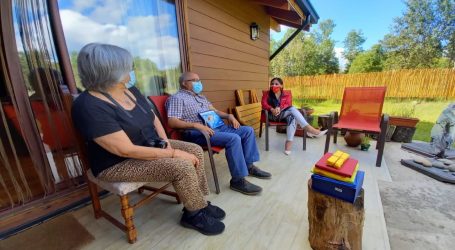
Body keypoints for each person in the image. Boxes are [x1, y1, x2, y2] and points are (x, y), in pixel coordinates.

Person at [71, 43, 225, 236]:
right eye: (128, 67)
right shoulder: (89, 106)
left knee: (193, 150)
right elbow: (125, 150)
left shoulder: (129, 89)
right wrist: (173, 153)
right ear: (111, 72)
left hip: (148, 145)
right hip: (118, 163)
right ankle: (193, 216)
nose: (132, 70)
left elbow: (153, 117)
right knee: (182, 165)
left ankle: (198, 203)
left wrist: (166, 142)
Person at [166, 72, 271, 196]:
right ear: (184, 83)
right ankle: (237, 180)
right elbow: (172, 122)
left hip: (217, 127)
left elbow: (214, 111)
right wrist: (195, 125)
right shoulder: (177, 98)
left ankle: (249, 166)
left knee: (247, 130)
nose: (198, 83)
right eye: (194, 80)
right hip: (198, 133)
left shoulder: (201, 97)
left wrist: (229, 115)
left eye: (199, 80)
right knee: (234, 139)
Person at [262, 77, 327, 155]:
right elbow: (264, 104)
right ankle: (310, 130)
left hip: (283, 115)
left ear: (281, 86)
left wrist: (280, 108)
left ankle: (288, 144)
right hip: (272, 116)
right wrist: (272, 109)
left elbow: (288, 104)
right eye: (272, 84)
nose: (274, 85)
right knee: (292, 109)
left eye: (276, 84)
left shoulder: (286, 95)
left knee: (292, 117)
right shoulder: (267, 94)